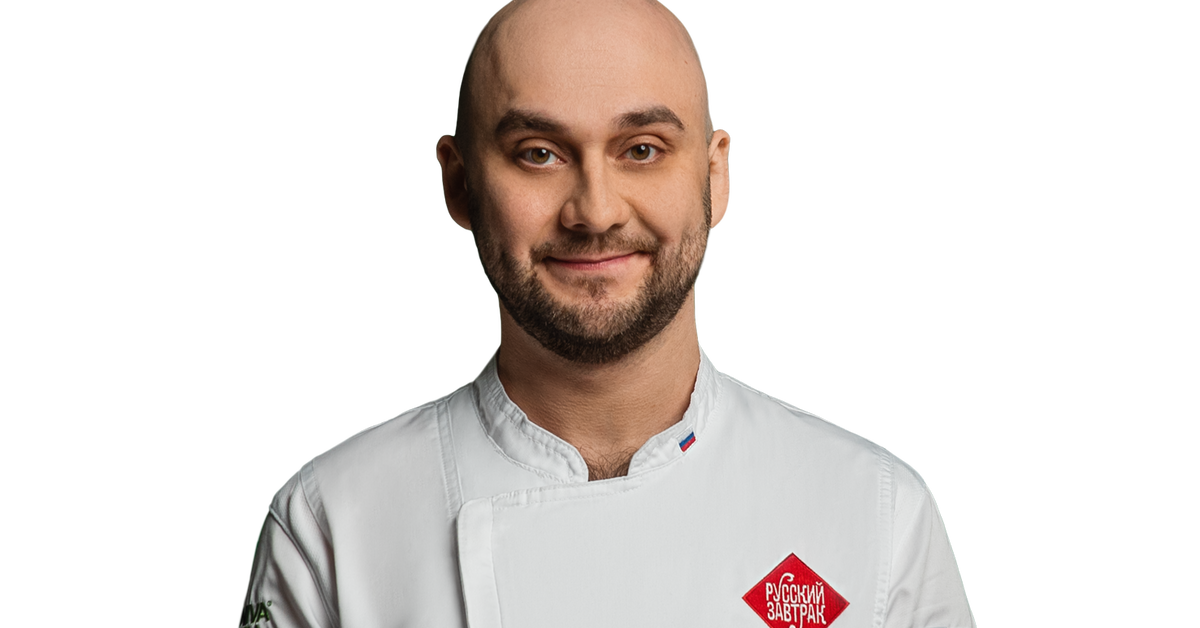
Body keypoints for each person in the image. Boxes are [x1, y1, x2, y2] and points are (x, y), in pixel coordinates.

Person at [234, 0, 978, 626]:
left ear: (717, 175)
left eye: (642, 149)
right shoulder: (328, 524)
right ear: (458, 185)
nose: (594, 211)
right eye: (538, 153)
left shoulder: (879, 514)